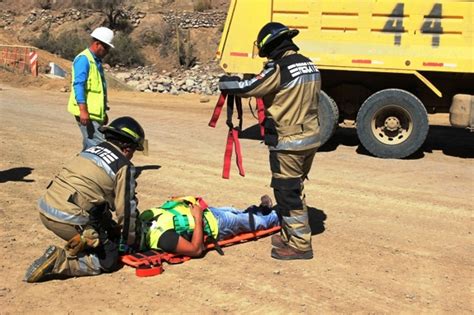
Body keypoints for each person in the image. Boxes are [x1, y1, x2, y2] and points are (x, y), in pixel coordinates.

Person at [218, 22, 321, 260]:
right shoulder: (309, 64)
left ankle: (300, 245)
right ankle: (289, 234)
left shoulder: (280, 68)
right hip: (310, 138)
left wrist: (226, 82)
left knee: (287, 193)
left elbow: (249, 86)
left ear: (269, 46)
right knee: (295, 187)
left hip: (289, 142)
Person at [24, 116, 145, 283]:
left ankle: (86, 238)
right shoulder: (123, 165)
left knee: (102, 215)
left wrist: (112, 228)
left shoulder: (91, 151)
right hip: (67, 218)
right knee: (108, 259)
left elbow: (97, 198)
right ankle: (60, 261)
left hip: (47, 208)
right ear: (127, 148)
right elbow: (126, 209)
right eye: (134, 151)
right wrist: (131, 241)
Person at [142, 195, 279, 257]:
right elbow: (195, 250)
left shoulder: (145, 217)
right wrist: (198, 218)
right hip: (217, 225)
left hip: (210, 212)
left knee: (237, 212)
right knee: (255, 222)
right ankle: (280, 215)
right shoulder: (162, 238)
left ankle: (261, 210)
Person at [67, 26, 114, 151]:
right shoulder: (84, 60)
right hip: (87, 113)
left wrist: (103, 113)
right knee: (98, 146)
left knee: (90, 144)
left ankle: (80, 168)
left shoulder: (96, 61)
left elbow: (99, 90)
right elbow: (79, 85)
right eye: (106, 47)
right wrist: (83, 110)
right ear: (97, 44)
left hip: (94, 113)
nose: (107, 51)